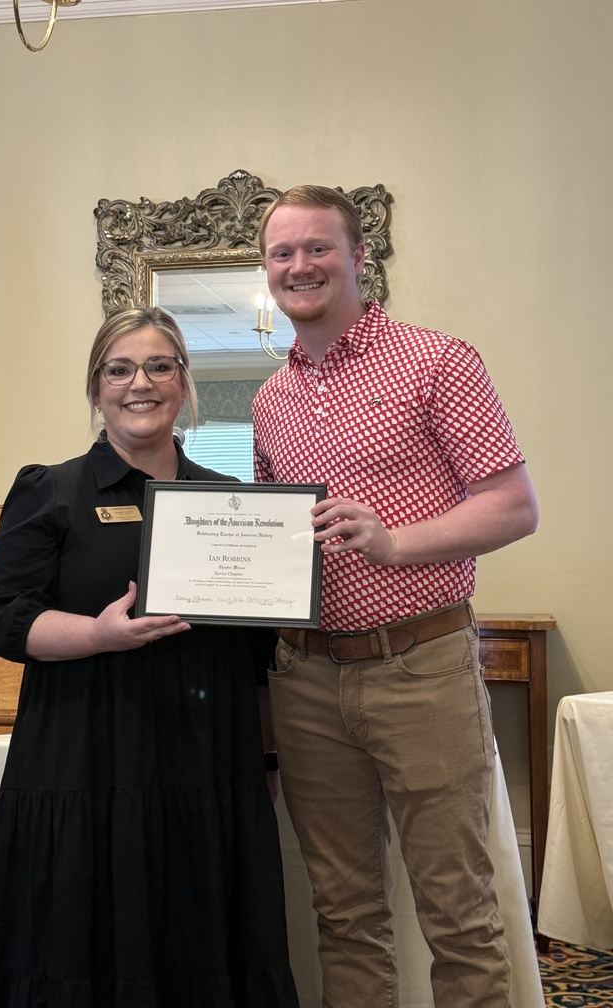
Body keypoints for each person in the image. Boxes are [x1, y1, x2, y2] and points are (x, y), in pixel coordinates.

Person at [0, 306, 300, 1008]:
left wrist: (265, 762)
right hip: (85, 759)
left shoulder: (232, 504)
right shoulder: (49, 491)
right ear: (96, 388)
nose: (139, 382)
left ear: (183, 383)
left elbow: (256, 659)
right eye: (119, 369)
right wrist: (97, 635)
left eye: (158, 366)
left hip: (206, 766)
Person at [252, 186, 540, 1008]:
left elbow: (515, 505)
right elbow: (283, 546)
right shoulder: (271, 400)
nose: (299, 265)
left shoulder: (438, 360)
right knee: (344, 914)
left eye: (318, 248)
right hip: (305, 679)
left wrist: (396, 541)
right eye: (282, 253)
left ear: (357, 257)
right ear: (265, 269)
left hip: (420, 665)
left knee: (460, 913)